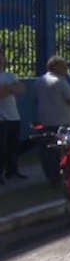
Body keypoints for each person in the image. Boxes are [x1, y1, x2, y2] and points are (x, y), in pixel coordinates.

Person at [35, 56, 70, 183]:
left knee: (47, 151)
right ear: (55, 67)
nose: (66, 69)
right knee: (66, 150)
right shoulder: (60, 81)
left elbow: (36, 100)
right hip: (63, 121)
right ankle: (64, 175)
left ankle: (51, 176)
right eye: (63, 66)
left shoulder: (39, 81)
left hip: (45, 121)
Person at [0, 50, 26, 184]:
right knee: (2, 148)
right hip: (2, 119)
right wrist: (10, 88)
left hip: (13, 116)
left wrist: (7, 88)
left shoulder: (9, 75)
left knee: (13, 146)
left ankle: (13, 171)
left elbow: (21, 88)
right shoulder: (9, 78)